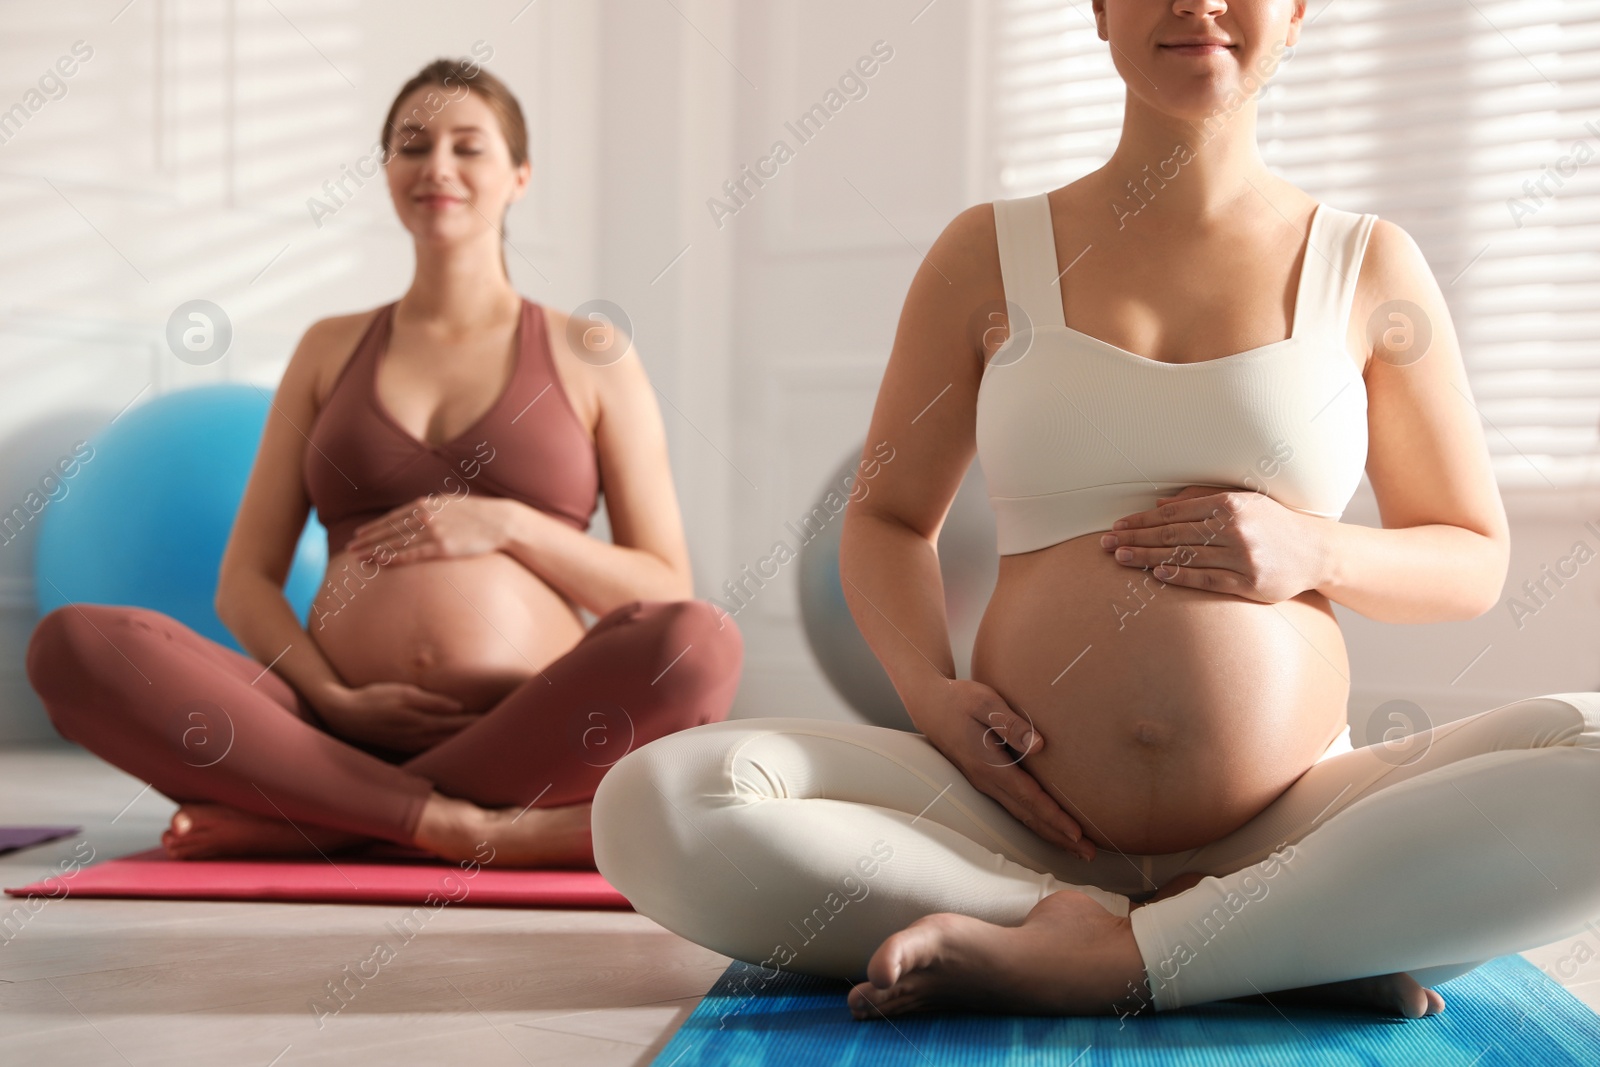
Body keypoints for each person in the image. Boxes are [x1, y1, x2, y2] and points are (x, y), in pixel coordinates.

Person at [591, 0, 1600, 1019]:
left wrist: (1314, 548)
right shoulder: (983, 252)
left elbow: (1470, 558)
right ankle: (1241, 936)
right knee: (653, 803)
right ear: (1101, 13)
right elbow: (885, 516)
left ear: (1294, 13)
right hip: (1016, 821)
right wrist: (928, 693)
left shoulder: (1367, 263)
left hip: (1297, 813)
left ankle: (1123, 954)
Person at [26, 58, 743, 868]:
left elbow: (661, 585)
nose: (437, 165)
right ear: (388, 171)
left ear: (519, 176)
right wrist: (335, 698)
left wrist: (507, 526)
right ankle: (465, 827)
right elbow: (246, 582)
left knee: (700, 641)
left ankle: (334, 818)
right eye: (412, 144)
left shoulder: (590, 350)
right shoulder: (329, 347)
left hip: (532, 726)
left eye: (468, 146)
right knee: (73, 646)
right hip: (326, 724)